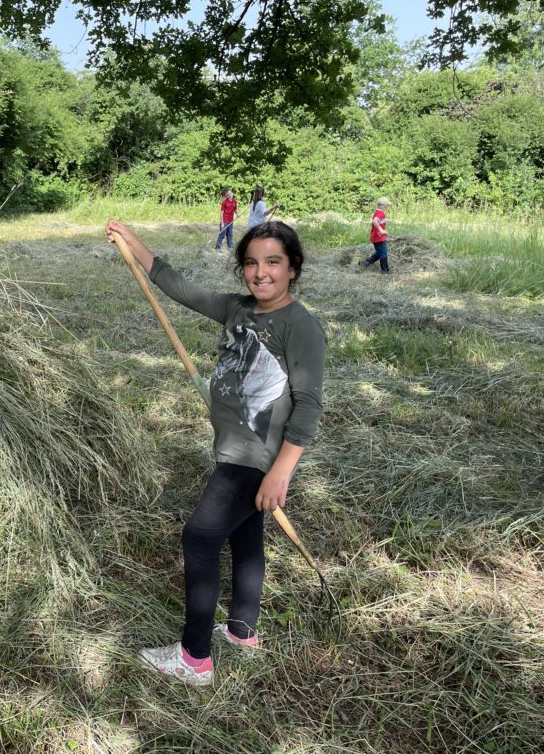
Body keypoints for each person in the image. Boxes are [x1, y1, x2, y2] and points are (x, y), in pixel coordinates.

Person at [105, 218, 326, 687]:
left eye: (273, 262)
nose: (260, 272)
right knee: (246, 537)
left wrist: (280, 472)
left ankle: (194, 658)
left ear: (293, 269)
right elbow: (179, 287)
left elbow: (307, 406)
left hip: (254, 456)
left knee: (200, 539)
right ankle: (243, 630)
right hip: (235, 448)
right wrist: (134, 243)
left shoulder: (300, 326)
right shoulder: (238, 310)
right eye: (251, 262)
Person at [360, 196, 391, 274]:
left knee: (380, 253)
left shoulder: (377, 212)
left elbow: (378, 221)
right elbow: (375, 221)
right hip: (379, 238)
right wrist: (381, 230)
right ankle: (385, 271)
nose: (387, 208)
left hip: (376, 237)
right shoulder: (381, 213)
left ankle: (365, 263)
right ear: (382, 206)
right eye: (386, 206)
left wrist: (384, 222)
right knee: (383, 253)